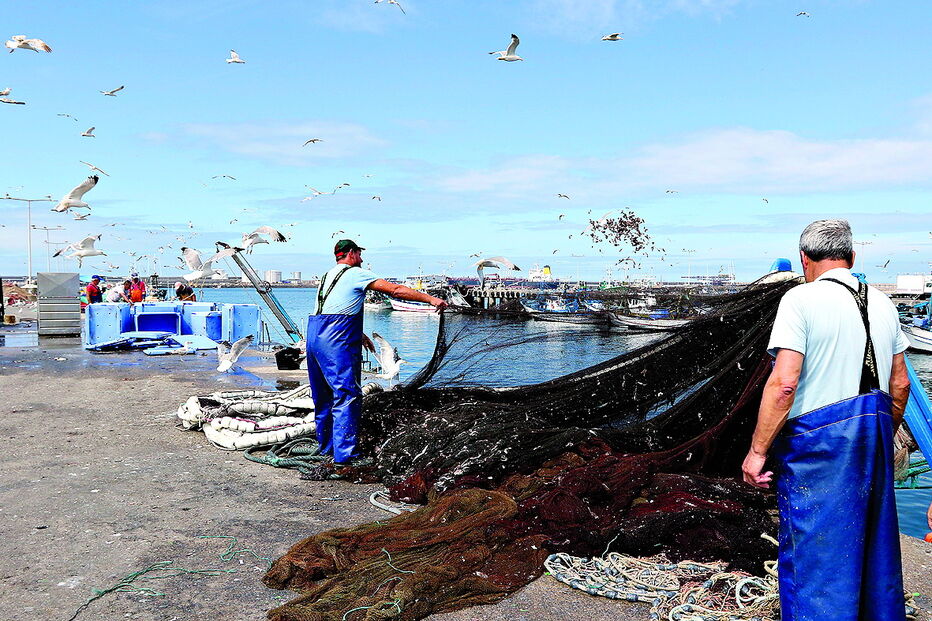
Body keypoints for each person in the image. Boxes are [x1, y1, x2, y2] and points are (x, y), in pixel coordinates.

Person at [742, 219, 911, 621]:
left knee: (817, 552)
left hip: (819, 445)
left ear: (804, 258)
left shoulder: (800, 300)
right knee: (874, 548)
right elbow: (900, 383)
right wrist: (881, 433)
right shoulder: (884, 303)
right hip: (874, 434)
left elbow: (784, 384)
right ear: (852, 258)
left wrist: (756, 452)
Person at [307, 239, 447, 466]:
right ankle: (346, 456)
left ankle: (327, 448)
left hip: (315, 338)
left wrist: (358, 334)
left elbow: (332, 310)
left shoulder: (327, 276)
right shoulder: (354, 273)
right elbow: (395, 289)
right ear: (351, 254)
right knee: (347, 394)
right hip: (335, 339)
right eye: (359, 255)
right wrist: (430, 299)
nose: (361, 260)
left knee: (323, 396)